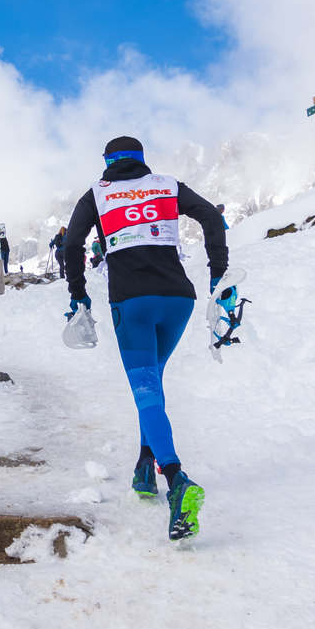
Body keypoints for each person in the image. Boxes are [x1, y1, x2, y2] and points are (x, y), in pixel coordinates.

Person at [62, 135, 228, 541]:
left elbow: (71, 244)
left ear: (107, 162)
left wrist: (78, 293)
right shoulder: (166, 185)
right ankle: (143, 470)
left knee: (146, 392)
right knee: (152, 383)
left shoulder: (97, 194)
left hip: (132, 303)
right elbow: (209, 215)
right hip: (178, 300)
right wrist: (218, 274)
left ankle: (176, 478)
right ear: (141, 161)